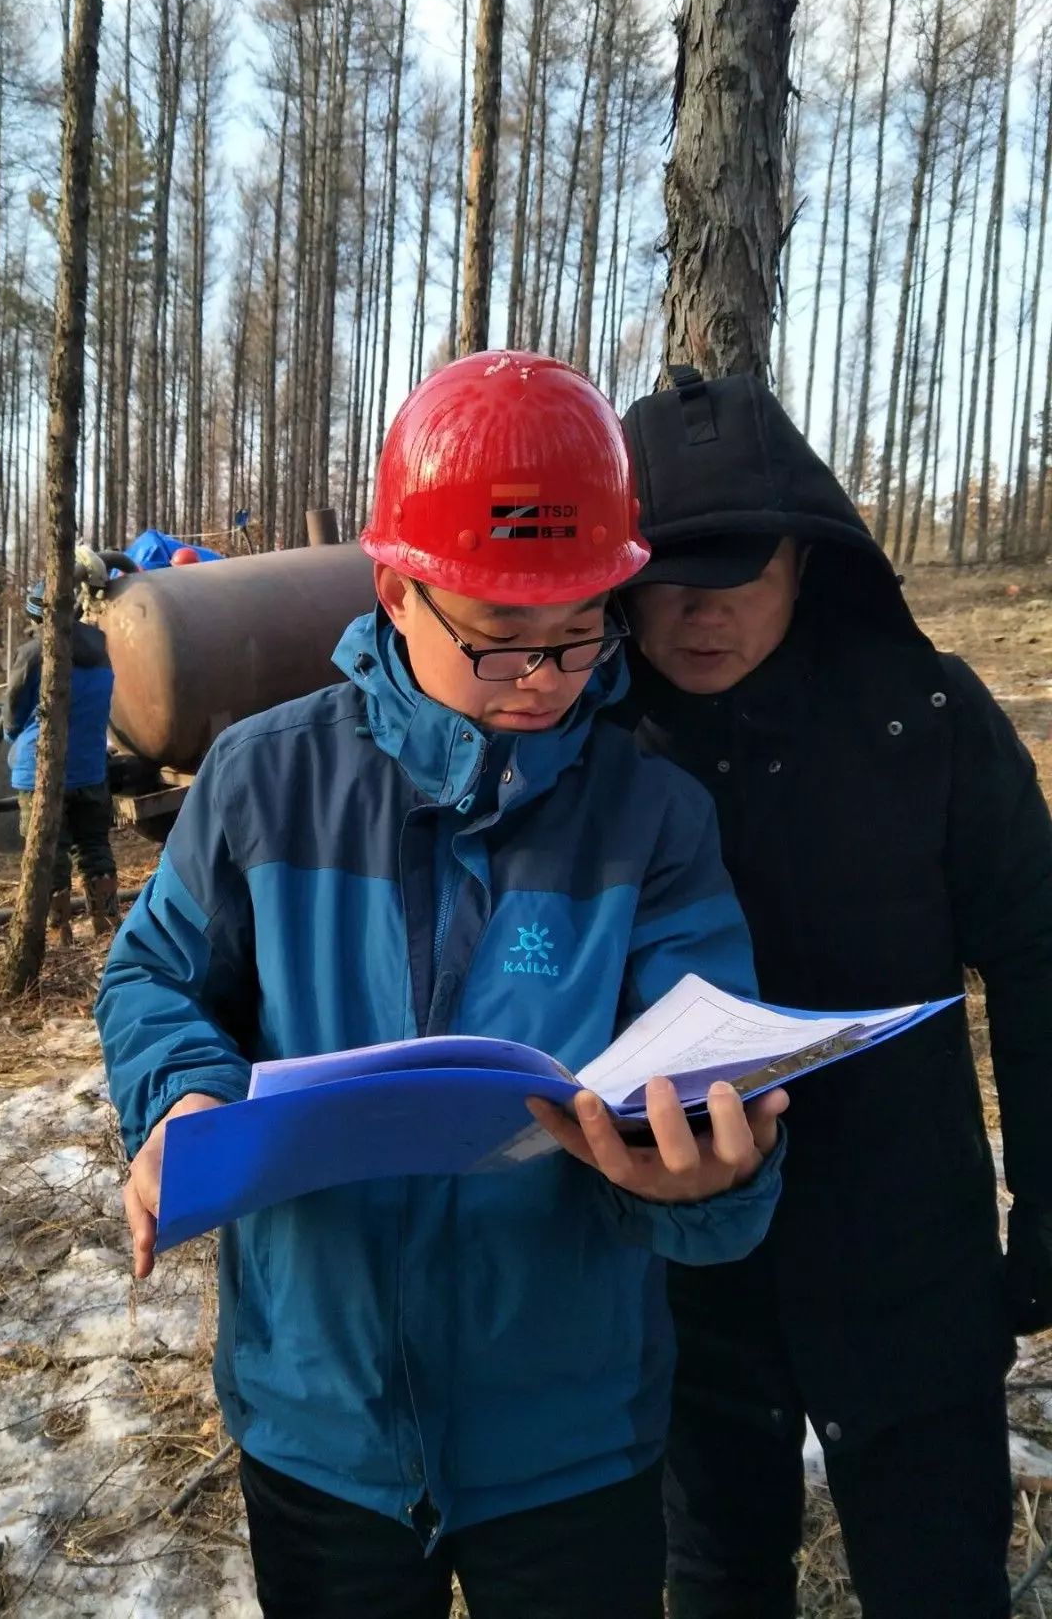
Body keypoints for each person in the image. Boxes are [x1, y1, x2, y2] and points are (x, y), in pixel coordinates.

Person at [96, 351, 789, 1619]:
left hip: (569, 1434)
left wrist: (712, 1177)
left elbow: (703, 1049)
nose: (545, 681)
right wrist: (182, 1100)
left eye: (581, 634)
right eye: (501, 640)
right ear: (395, 590)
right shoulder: (264, 782)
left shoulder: (650, 819)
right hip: (322, 1420)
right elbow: (151, 975)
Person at [614, 366, 1052, 1619]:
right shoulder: (589, 750)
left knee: (933, 1579)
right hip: (687, 1268)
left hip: (903, 1246)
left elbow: (1033, 955)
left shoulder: (926, 720)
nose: (702, 613)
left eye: (740, 572)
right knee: (713, 1578)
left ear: (804, 561)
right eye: (669, 578)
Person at [4, 579, 120, 941]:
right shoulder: (100, 650)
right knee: (94, 846)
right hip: (91, 769)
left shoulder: (35, 653)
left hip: (41, 771)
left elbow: (13, 714)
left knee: (48, 855)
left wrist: (14, 738)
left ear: (38, 616)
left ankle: (59, 931)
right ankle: (107, 924)